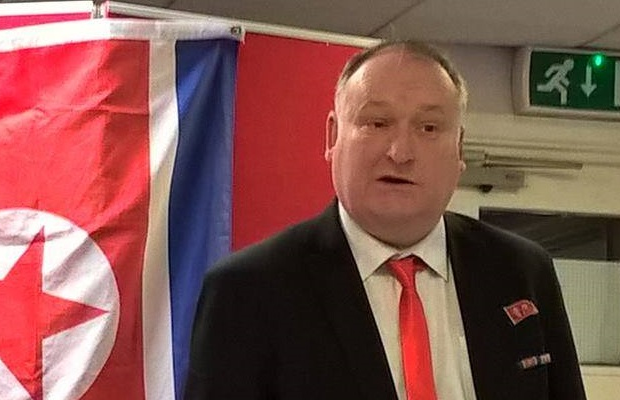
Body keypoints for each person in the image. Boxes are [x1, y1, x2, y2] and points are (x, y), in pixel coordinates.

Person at [183, 40, 586, 400]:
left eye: (429, 128)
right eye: (377, 123)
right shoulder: (249, 290)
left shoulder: (521, 270)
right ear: (332, 137)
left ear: (459, 148)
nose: (400, 152)